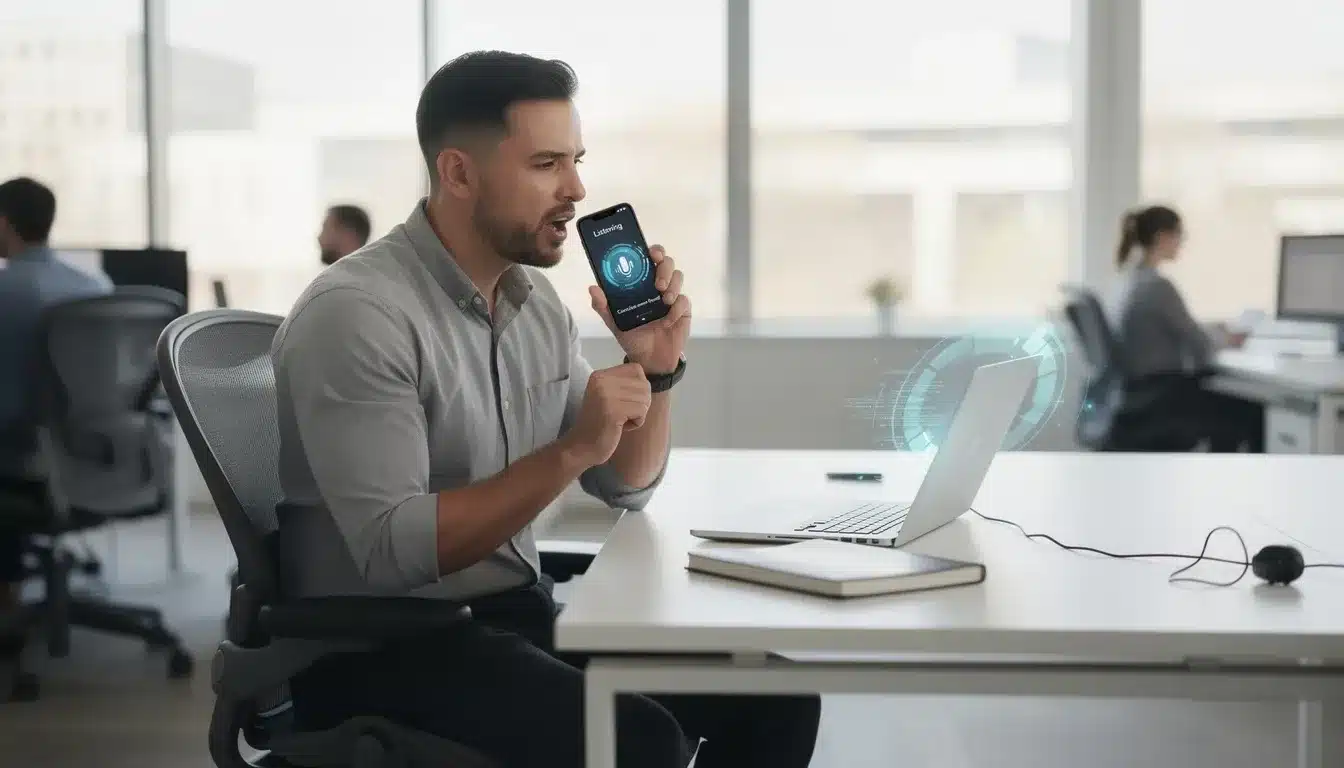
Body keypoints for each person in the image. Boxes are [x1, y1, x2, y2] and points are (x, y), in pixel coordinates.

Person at [270, 51, 821, 768]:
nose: (576, 189)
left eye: (576, 161)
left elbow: (625, 482)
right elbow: (392, 551)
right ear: (459, 173)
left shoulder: (535, 307)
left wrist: (654, 371)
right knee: (640, 742)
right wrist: (570, 450)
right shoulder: (359, 313)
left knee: (775, 694)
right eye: (546, 164)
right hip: (380, 647)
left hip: (510, 617)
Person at [0, 177, 112, 630]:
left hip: (32, 469)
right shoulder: (96, 285)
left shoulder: (7, 292)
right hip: (102, 460)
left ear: (4, 223)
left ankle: (7, 596)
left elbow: (7, 408)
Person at [1107, 204, 1264, 451]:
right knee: (1251, 411)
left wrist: (1211, 331)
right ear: (1162, 237)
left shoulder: (1128, 281)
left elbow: (1177, 329)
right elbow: (1199, 347)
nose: (1181, 242)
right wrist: (1227, 339)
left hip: (1137, 397)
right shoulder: (1158, 286)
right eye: (1180, 235)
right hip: (1161, 399)